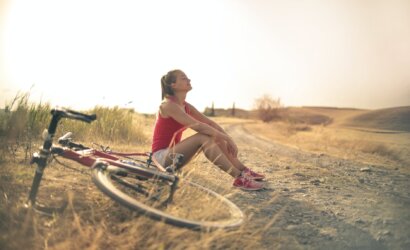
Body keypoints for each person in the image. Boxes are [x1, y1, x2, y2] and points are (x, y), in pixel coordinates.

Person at [151, 69, 265, 191]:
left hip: (174, 157)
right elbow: (198, 126)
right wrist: (226, 138)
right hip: (160, 158)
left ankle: (243, 171)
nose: (188, 80)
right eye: (183, 78)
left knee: (213, 134)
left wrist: (227, 138)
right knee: (203, 137)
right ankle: (238, 177)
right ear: (173, 85)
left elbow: (210, 123)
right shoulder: (167, 105)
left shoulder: (186, 106)